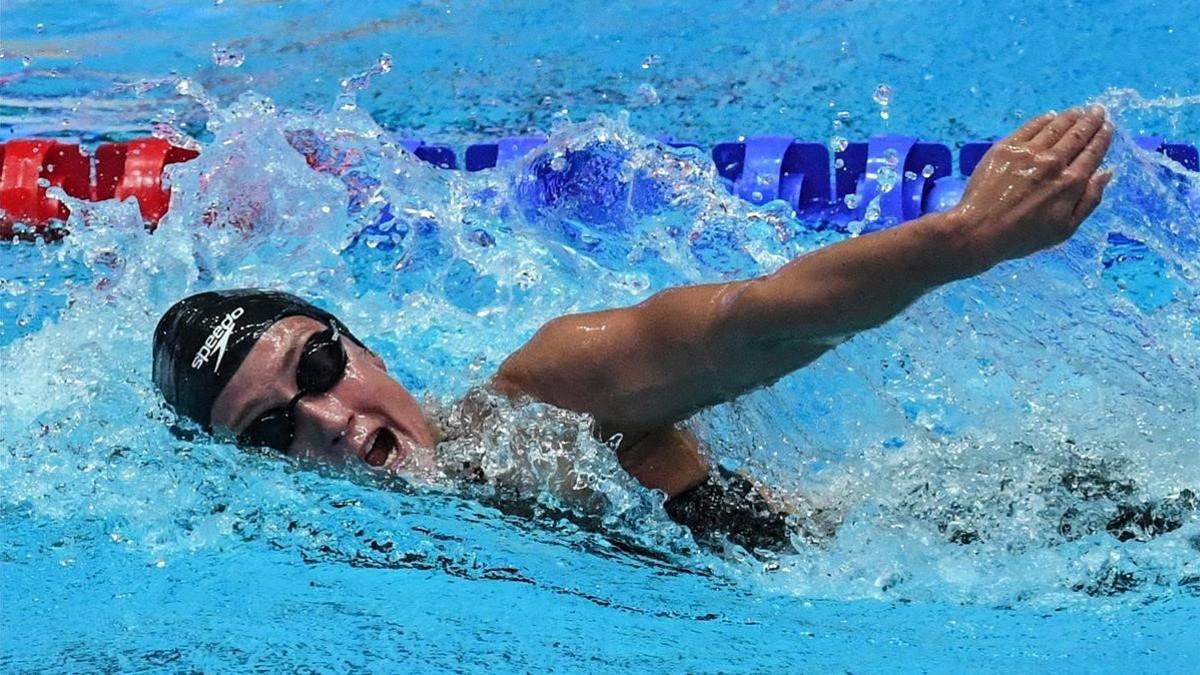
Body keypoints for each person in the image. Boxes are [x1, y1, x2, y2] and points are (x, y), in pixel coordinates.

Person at [153, 106, 1118, 552]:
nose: (322, 418)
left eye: (319, 365)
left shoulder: (540, 402)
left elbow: (754, 324)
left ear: (361, 343)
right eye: (273, 430)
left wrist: (959, 241)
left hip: (1004, 539)